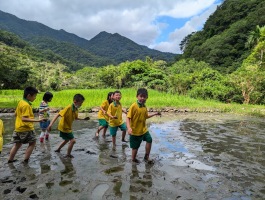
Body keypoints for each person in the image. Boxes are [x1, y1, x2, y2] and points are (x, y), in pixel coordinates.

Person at [8, 86, 45, 163]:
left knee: (17, 144)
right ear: (29, 95)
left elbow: (16, 114)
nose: (35, 98)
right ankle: (26, 160)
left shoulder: (21, 102)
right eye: (34, 96)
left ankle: (10, 160)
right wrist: (38, 120)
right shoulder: (26, 105)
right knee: (32, 143)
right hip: (26, 128)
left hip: (18, 128)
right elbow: (24, 118)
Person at [126, 88, 161, 163]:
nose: (142, 98)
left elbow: (146, 116)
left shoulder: (144, 106)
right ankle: (133, 160)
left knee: (149, 140)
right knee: (135, 148)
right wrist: (129, 128)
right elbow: (128, 118)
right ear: (137, 96)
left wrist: (155, 114)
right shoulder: (134, 106)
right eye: (141, 96)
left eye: (144, 97)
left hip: (143, 130)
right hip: (135, 131)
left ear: (147, 98)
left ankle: (146, 157)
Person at [47, 94, 87, 158]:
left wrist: (83, 119)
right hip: (64, 127)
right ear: (75, 101)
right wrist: (50, 125)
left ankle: (58, 149)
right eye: (80, 103)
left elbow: (76, 118)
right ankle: (68, 154)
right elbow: (58, 115)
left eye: (82, 103)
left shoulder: (76, 109)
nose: (81, 105)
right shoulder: (68, 108)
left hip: (67, 127)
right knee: (73, 141)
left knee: (67, 140)